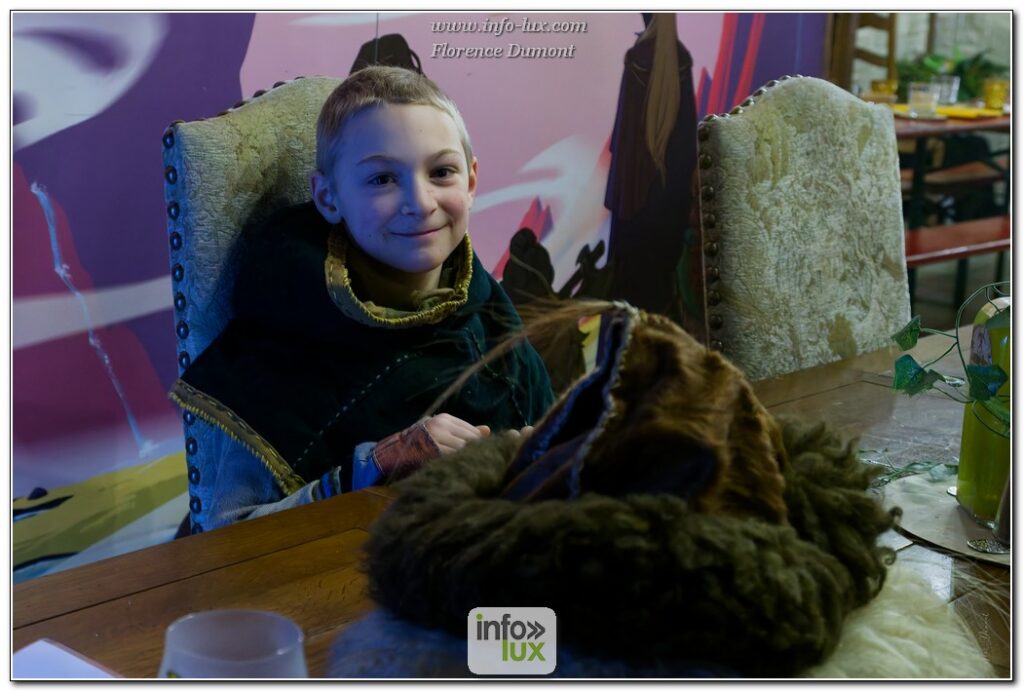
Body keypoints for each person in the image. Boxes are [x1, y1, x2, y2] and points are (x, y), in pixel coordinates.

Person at [171, 66, 554, 533]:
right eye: (382, 179)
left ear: (471, 182)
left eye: (441, 172)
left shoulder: (487, 309)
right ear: (328, 197)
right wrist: (376, 466)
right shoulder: (285, 327)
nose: (421, 202)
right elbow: (229, 537)